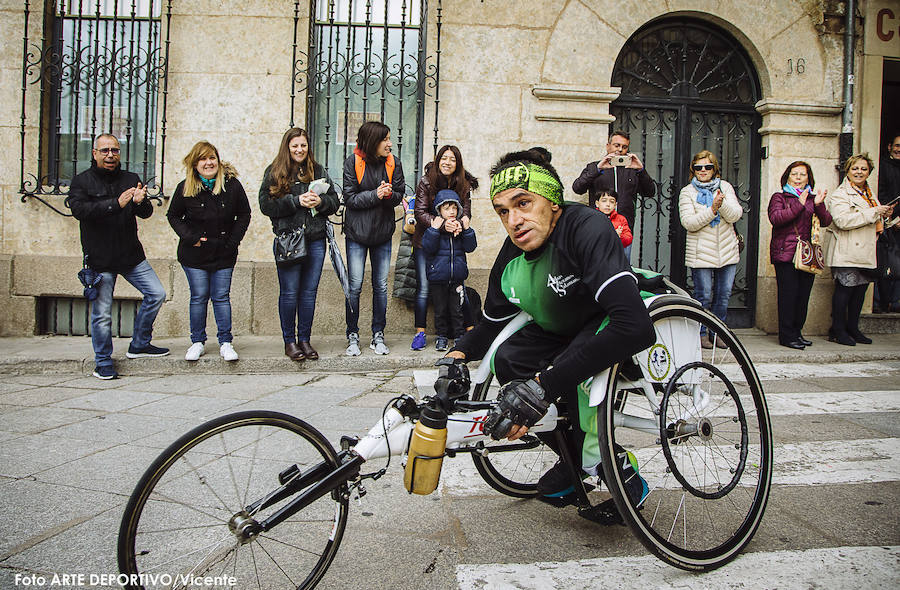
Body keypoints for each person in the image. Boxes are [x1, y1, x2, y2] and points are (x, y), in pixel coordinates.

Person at [444, 148, 655, 517]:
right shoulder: (512, 253)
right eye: (503, 211)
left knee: (554, 381)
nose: (514, 220)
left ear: (553, 201)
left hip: (608, 320)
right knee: (508, 358)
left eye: (523, 203)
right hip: (562, 331)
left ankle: (619, 473)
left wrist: (544, 384)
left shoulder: (586, 227)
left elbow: (634, 326)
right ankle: (574, 462)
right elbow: (492, 324)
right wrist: (456, 356)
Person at [66, 134, 169, 379]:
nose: (110, 155)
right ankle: (102, 362)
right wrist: (117, 203)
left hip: (131, 255)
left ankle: (140, 344)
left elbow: (144, 213)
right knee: (102, 314)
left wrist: (140, 202)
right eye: (104, 151)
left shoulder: (131, 178)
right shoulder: (82, 182)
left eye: (114, 150)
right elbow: (81, 211)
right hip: (100, 259)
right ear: (95, 153)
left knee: (157, 294)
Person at [259, 128, 340, 361]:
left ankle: (304, 339)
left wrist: (321, 201)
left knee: (308, 293)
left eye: (303, 145)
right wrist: (296, 201)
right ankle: (289, 342)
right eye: (295, 146)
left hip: (315, 240)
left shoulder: (319, 170)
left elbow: (334, 201)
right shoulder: (274, 172)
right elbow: (266, 205)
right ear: (287, 147)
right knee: (290, 293)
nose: (299, 150)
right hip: (289, 240)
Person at [166, 141, 251, 362]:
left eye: (212, 157)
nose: (208, 162)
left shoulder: (232, 186)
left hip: (224, 252)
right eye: (203, 159)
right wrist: (191, 238)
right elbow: (173, 216)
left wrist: (233, 242)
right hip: (194, 254)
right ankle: (197, 341)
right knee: (199, 296)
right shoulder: (185, 187)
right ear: (195, 164)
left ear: (218, 160)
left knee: (221, 297)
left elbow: (244, 214)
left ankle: (225, 342)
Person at [341, 121, 405, 356]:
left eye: (389, 138)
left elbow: (399, 193)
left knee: (380, 286)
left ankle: (378, 334)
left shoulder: (393, 162)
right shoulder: (353, 161)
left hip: (382, 233)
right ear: (372, 141)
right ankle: (353, 334)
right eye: (385, 139)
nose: (390, 143)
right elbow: (350, 199)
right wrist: (376, 194)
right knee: (355, 286)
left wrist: (389, 195)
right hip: (357, 234)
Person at [411, 145, 478, 351]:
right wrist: (441, 223)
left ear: (457, 163)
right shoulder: (426, 181)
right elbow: (420, 212)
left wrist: (460, 222)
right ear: (438, 160)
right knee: (424, 288)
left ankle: (470, 332)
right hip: (428, 240)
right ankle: (420, 333)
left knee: (460, 291)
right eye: (444, 158)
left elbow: (466, 211)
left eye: (452, 159)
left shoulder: (463, 183)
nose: (447, 162)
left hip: (453, 242)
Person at [824, 153, 895, 345]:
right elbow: (841, 220)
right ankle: (837, 330)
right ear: (847, 170)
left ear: (869, 172)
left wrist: (885, 215)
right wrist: (874, 212)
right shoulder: (841, 194)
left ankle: (853, 328)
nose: (859, 172)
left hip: (866, 251)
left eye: (863, 169)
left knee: (859, 293)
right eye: (855, 168)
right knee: (844, 291)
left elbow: (873, 220)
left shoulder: (869, 194)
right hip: (847, 250)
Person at [678, 150, 743, 349]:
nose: (703, 171)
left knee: (723, 295)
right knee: (703, 295)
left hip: (727, 250)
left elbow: (735, 215)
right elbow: (689, 223)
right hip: (701, 253)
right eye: (699, 167)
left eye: (707, 167)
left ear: (714, 169)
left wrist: (721, 205)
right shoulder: (687, 192)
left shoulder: (725, 187)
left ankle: (718, 333)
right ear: (693, 170)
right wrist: (712, 209)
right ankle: (700, 333)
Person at [767, 161, 832, 349]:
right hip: (786, 255)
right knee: (788, 296)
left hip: (806, 255)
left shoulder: (813, 198)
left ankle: (797, 332)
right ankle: (786, 336)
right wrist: (799, 204)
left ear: (808, 178)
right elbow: (776, 219)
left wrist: (818, 205)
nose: (798, 178)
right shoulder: (779, 197)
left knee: (803, 297)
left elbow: (827, 221)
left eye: (802, 175)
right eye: (794, 174)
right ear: (787, 176)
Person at [571, 130, 656, 260]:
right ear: (608, 146)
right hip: (598, 226)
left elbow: (650, 192)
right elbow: (577, 188)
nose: (620, 150)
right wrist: (598, 170)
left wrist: (641, 170)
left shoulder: (632, 170)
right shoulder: (594, 166)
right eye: (617, 145)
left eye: (624, 147)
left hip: (623, 228)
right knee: (597, 263)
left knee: (622, 265)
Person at [421, 189, 477, 352]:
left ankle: (459, 336)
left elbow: (470, 247)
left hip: (457, 277)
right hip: (438, 277)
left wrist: (467, 229)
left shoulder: (459, 228)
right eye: (446, 208)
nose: (451, 212)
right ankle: (442, 337)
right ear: (439, 210)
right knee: (440, 310)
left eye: (454, 208)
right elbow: (428, 248)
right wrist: (434, 230)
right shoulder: (435, 227)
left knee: (457, 309)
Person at [875, 134, 900, 313]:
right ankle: (881, 302)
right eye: (897, 145)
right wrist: (893, 219)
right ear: (890, 146)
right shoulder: (882, 166)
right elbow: (881, 194)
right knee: (884, 264)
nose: (899, 150)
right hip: (887, 224)